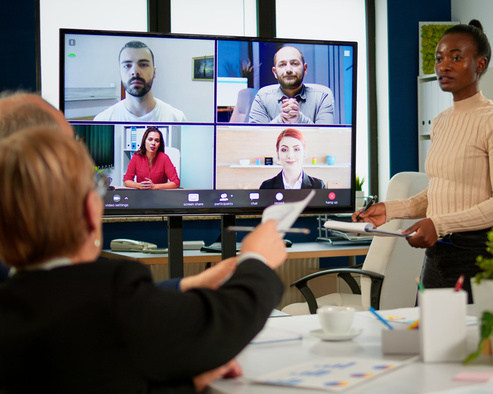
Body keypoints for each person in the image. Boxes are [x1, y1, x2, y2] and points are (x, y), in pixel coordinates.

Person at [0, 127, 288, 392]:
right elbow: (221, 324)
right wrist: (257, 258)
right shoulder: (112, 291)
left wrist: (189, 384)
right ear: (91, 212)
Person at [353, 21, 493, 302]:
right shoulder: (441, 122)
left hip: (477, 257)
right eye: (439, 58)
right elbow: (440, 190)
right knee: (429, 342)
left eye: (456, 57)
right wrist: (390, 209)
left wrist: (439, 224)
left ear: (480, 64)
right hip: (436, 256)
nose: (444, 65)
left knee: (474, 345)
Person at [0, 91, 228, 292]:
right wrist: (139, 186)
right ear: (91, 211)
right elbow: (127, 180)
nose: (154, 143)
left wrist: (155, 186)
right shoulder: (118, 286)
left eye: (157, 140)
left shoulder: (166, 156)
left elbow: (175, 181)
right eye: (150, 139)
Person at [94, 40, 186, 122]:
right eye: (127, 66)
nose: (135, 72)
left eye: (143, 65)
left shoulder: (176, 119)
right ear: (120, 73)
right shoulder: (103, 120)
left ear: (154, 72)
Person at [248, 46, 335, 124]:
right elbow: (256, 137)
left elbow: (325, 138)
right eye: (282, 65)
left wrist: (299, 118)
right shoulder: (262, 97)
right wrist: (282, 119)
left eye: (294, 63)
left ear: (305, 69)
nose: (288, 69)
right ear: (275, 72)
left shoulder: (322, 96)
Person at [259, 128, 326, 189]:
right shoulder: (266, 187)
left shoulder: (319, 186)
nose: (290, 156)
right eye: (284, 150)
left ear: (304, 152)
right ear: (278, 153)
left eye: (296, 149)